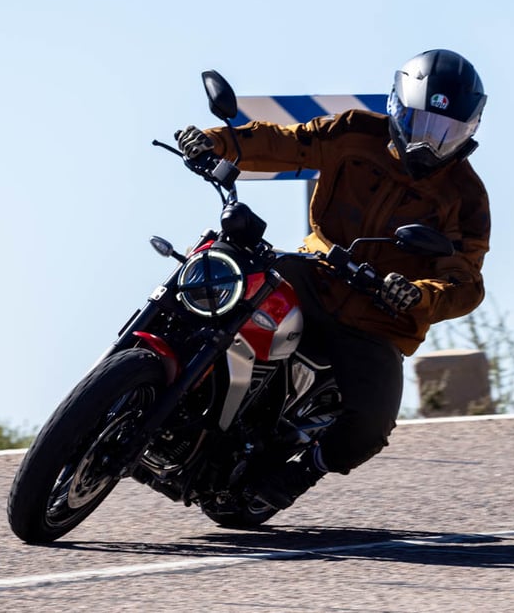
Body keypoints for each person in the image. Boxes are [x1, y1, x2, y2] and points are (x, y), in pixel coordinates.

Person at [176, 48, 491, 509]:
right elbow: (284, 142)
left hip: (379, 319)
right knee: (225, 272)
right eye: (421, 124)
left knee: (371, 424)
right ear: (397, 108)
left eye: (446, 132)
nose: (429, 142)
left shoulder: (466, 195)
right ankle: (167, 373)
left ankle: (301, 473)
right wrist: (215, 142)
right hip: (314, 274)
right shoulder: (353, 133)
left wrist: (417, 296)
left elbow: (467, 282)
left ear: (469, 131)